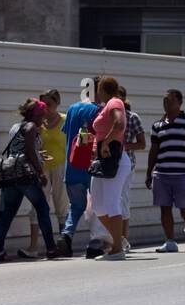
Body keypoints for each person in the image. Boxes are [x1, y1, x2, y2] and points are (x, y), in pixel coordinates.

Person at [0, 99, 58, 262]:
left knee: (6, 214)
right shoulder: (31, 127)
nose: (44, 116)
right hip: (26, 175)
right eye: (42, 114)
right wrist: (41, 173)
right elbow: (29, 151)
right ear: (35, 114)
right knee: (42, 208)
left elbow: (19, 149)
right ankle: (51, 248)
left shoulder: (16, 127)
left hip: (11, 174)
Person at [147, 89, 185, 252]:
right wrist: (149, 172)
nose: (166, 104)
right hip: (162, 173)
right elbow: (154, 150)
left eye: (170, 101)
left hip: (183, 174)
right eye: (164, 101)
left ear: (179, 103)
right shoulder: (157, 125)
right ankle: (170, 241)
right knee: (164, 207)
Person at [22, 89, 68, 255]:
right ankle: (33, 247)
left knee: (61, 205)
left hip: (61, 166)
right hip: (41, 168)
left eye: (49, 104)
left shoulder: (65, 120)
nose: (46, 109)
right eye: (44, 105)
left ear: (57, 104)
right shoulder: (38, 123)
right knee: (37, 206)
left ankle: (64, 244)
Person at [58, 82, 100, 257]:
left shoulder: (72, 109)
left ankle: (66, 236)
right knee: (97, 206)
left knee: (76, 206)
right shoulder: (98, 111)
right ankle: (95, 243)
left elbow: (68, 135)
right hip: (92, 167)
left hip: (73, 166)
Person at [89, 77, 129, 260]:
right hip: (102, 161)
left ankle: (117, 250)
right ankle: (118, 238)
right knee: (97, 206)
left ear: (102, 89)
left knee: (112, 204)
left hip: (115, 159)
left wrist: (106, 142)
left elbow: (119, 123)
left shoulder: (115, 102)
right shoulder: (107, 105)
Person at [118, 86, 146, 252]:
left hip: (127, 163)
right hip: (109, 164)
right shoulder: (105, 116)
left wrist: (122, 146)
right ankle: (113, 239)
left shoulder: (132, 117)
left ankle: (124, 239)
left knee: (123, 199)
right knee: (110, 201)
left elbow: (142, 143)